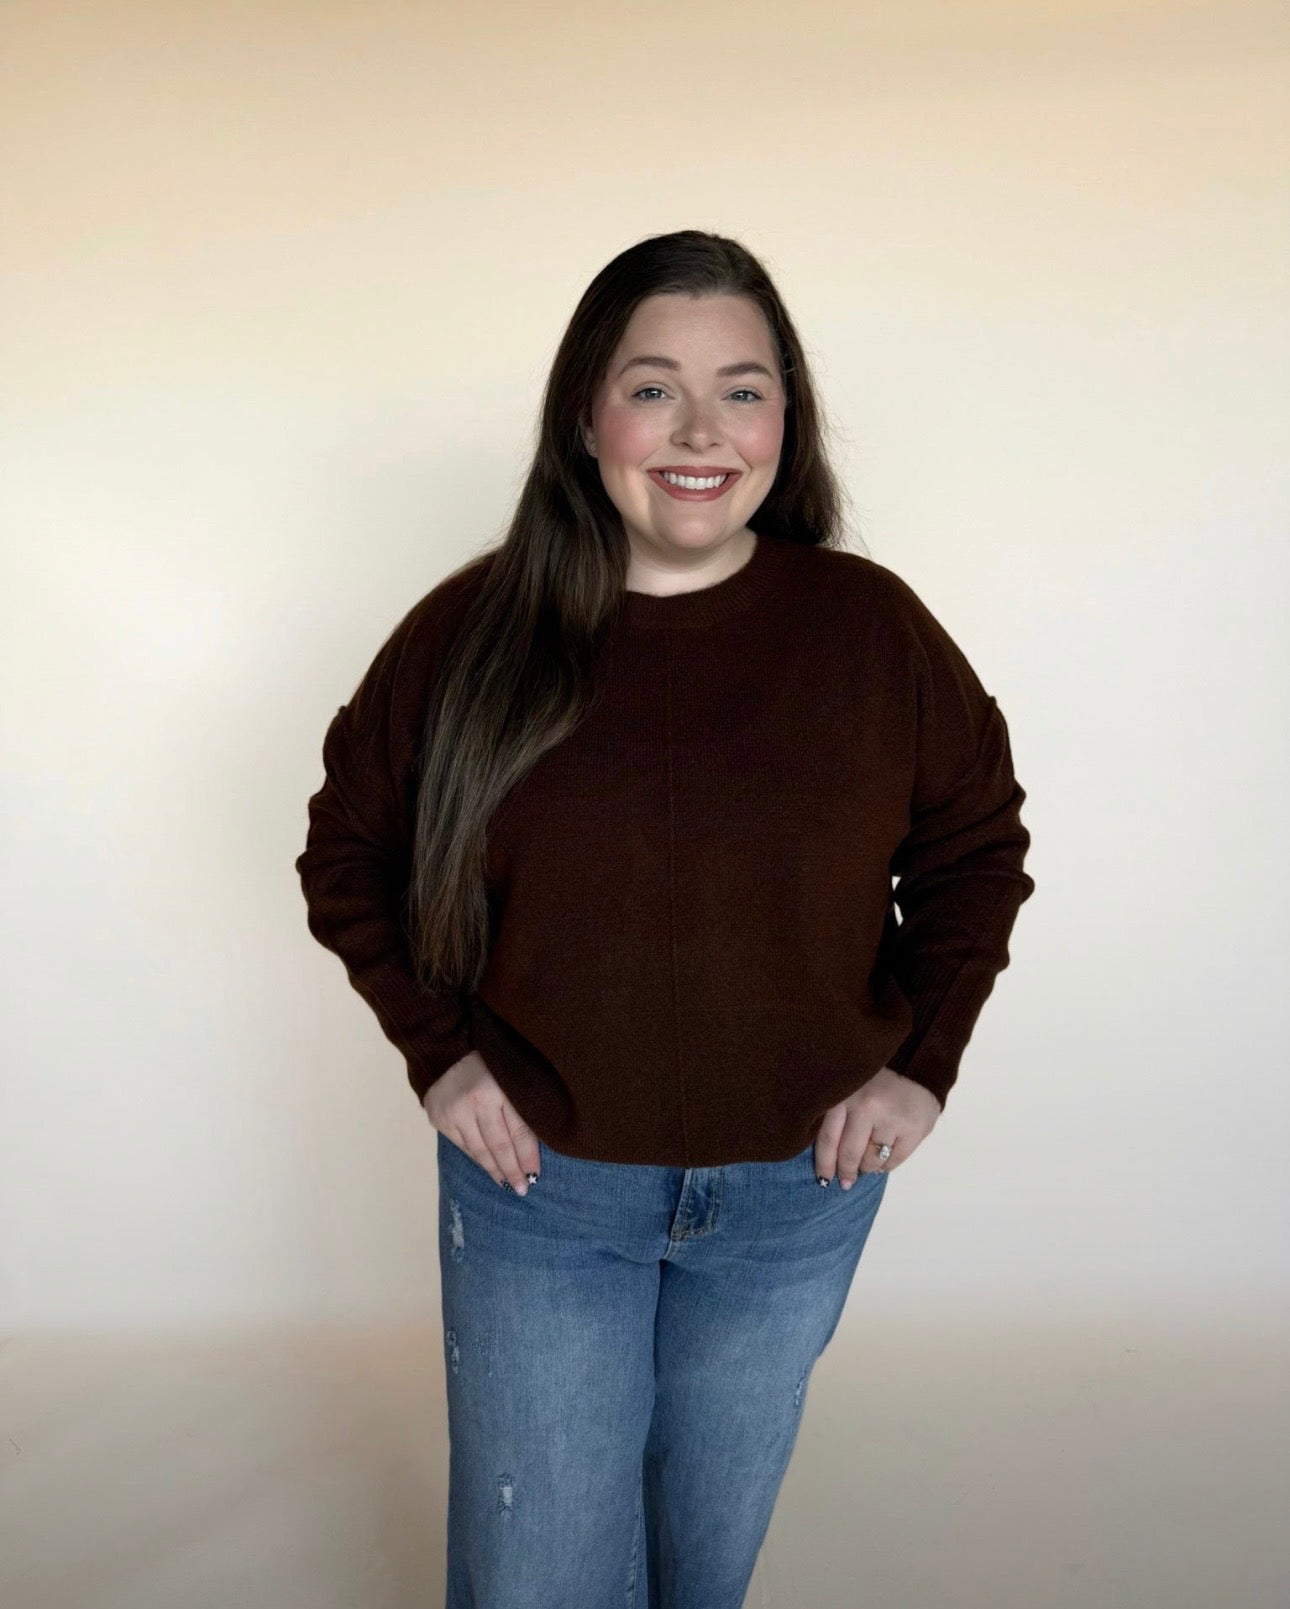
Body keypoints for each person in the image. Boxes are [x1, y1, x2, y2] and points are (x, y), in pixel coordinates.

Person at [295, 229, 1035, 1608]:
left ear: (784, 421)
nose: (701, 431)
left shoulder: (870, 632)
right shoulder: (469, 634)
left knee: (699, 1572)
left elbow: (973, 850)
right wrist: (439, 1053)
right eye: (653, 388)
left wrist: (920, 1059)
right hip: (543, 1194)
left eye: (742, 389)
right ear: (586, 416)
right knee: (545, 1583)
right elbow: (348, 848)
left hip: (792, 1197)